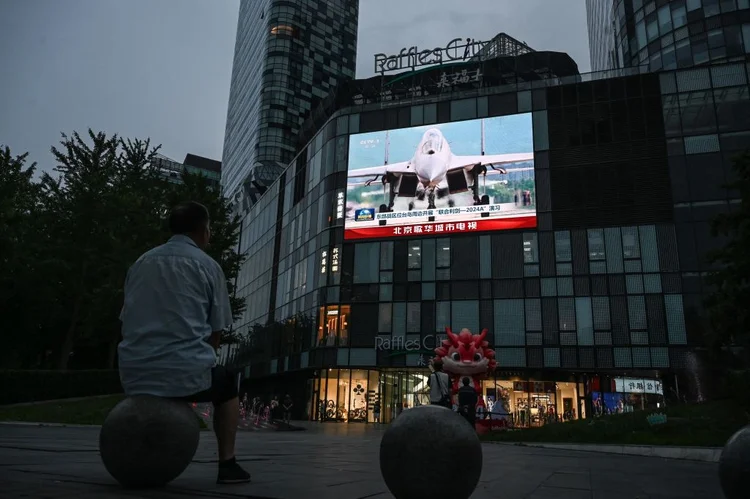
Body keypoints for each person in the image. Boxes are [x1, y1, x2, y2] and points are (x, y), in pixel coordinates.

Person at [118, 201, 251, 485]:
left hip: (133, 373)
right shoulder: (208, 266)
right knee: (228, 383)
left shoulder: (141, 262)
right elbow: (216, 331)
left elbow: (126, 319)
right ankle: (227, 464)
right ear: (203, 231)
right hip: (183, 373)